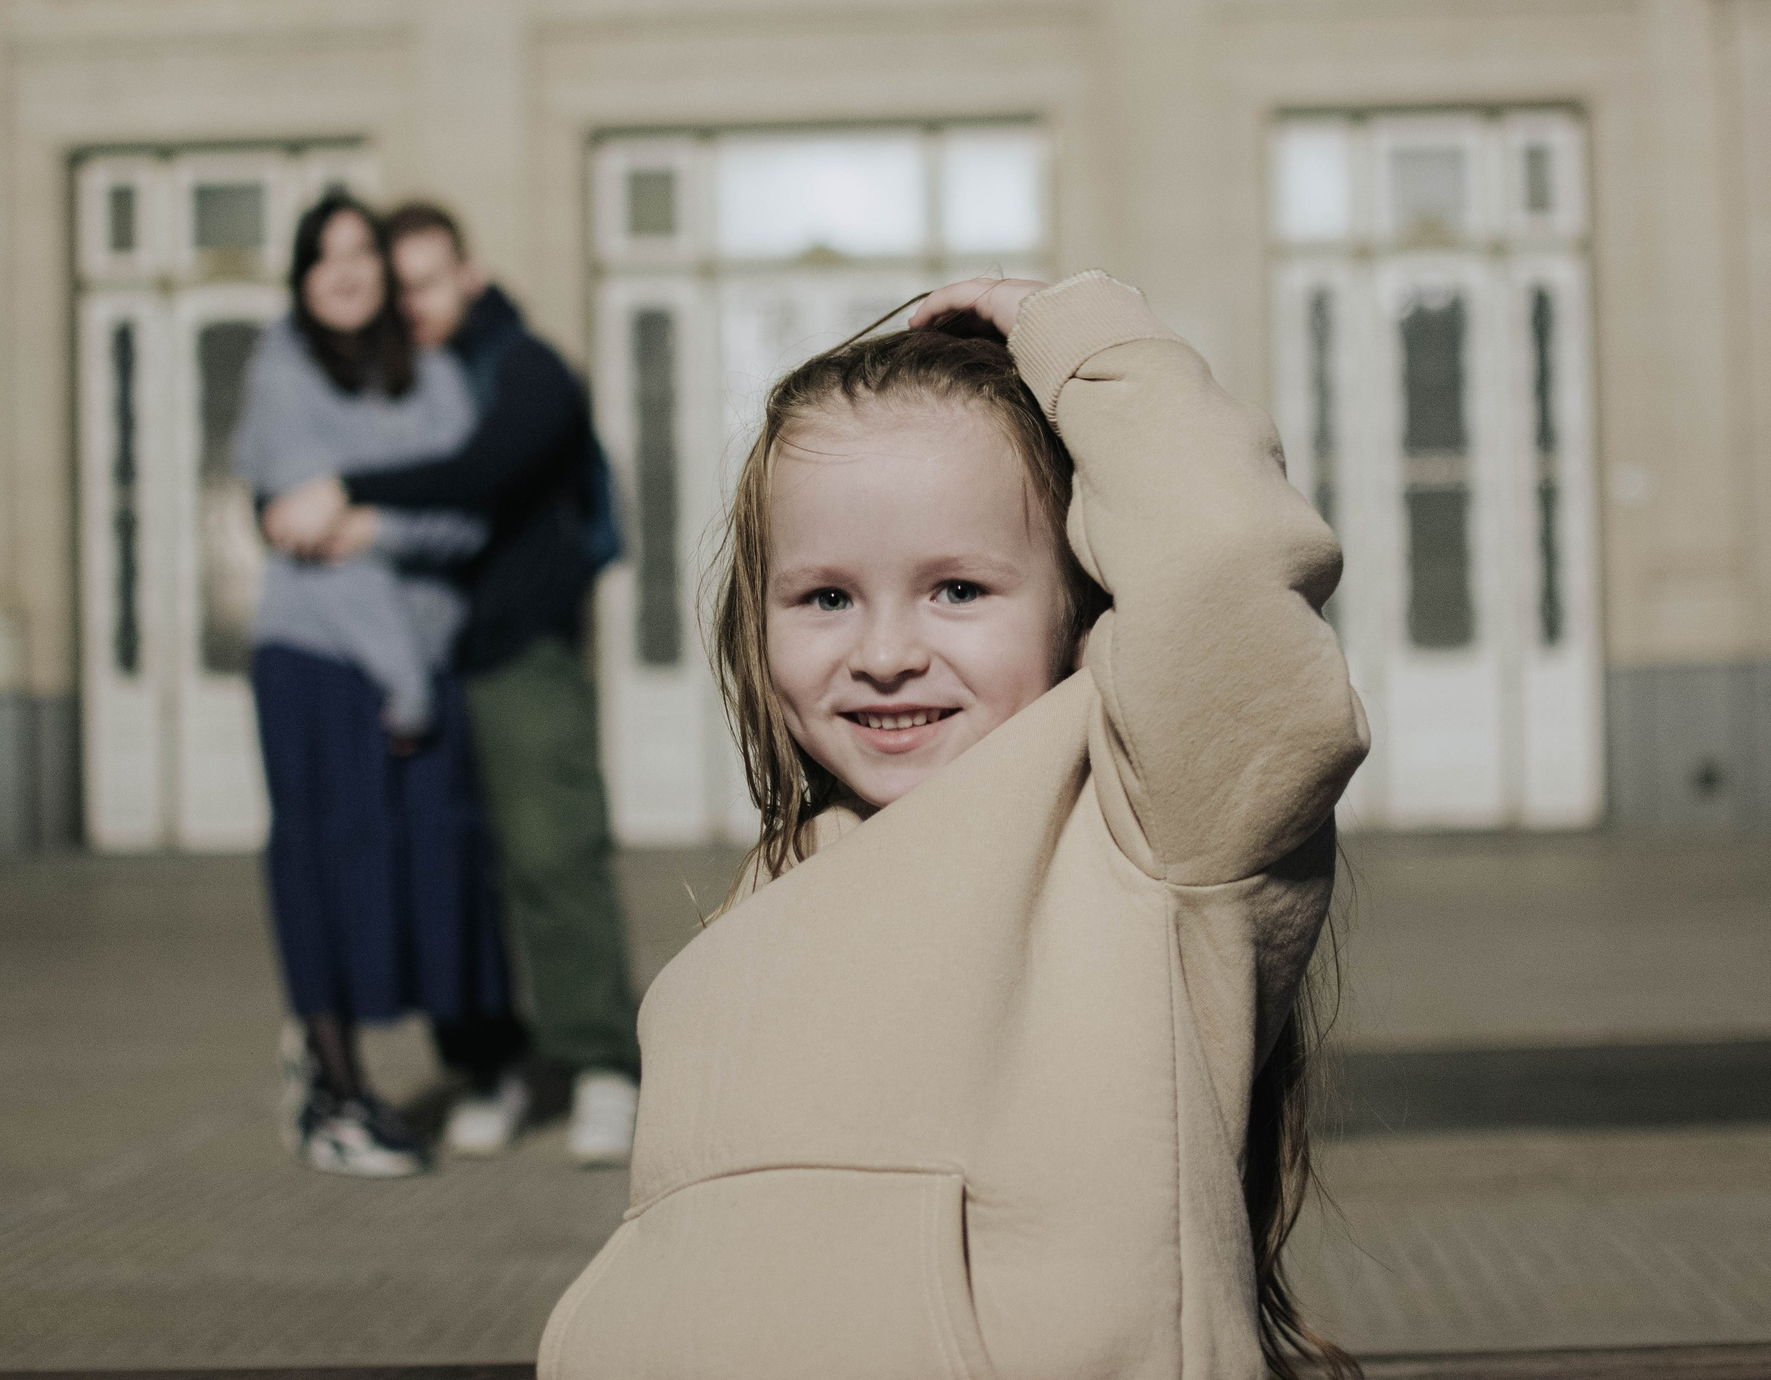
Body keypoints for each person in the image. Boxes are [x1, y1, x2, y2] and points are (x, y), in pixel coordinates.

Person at [535, 273, 1369, 1380]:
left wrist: (1081, 340)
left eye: (959, 590)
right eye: (826, 597)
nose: (884, 653)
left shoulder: (1152, 823)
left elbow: (1225, 564)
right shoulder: (764, 893)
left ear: (1077, 606)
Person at [262, 200, 644, 1166]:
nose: (412, 301)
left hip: (519, 653)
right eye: (400, 286)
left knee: (551, 854)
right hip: (428, 659)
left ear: (470, 275)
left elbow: (481, 471)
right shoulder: (398, 376)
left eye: (427, 280)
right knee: (449, 874)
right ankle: (487, 1062)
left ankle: (602, 1064)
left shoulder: (523, 365)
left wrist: (353, 494)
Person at [232, 192, 532, 1177]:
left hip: (416, 668)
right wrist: (402, 672)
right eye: (325, 257)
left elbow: (466, 517)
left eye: (362, 251)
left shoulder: (432, 376)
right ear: (302, 278)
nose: (348, 271)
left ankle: (475, 1065)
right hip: (319, 659)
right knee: (320, 868)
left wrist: (367, 519)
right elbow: (307, 543)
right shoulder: (284, 368)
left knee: (430, 866)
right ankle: (336, 1093)